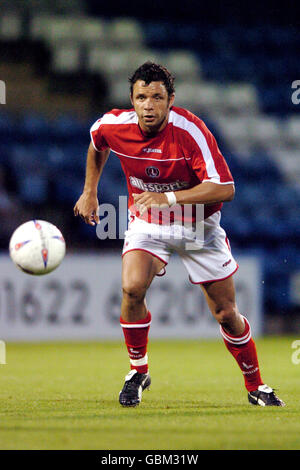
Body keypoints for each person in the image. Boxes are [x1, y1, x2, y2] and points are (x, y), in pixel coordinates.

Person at [74, 62, 284, 407]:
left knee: (226, 314)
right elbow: (97, 144)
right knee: (131, 288)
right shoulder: (113, 124)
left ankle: (256, 386)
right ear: (131, 99)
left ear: (170, 100)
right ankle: (137, 371)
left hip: (197, 226)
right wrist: (89, 191)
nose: (148, 105)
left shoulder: (191, 131)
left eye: (157, 97)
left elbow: (225, 188)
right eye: (141, 97)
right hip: (148, 220)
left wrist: (167, 197)